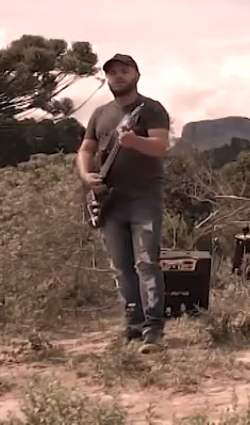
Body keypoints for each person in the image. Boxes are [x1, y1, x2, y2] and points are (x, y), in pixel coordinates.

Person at [76, 53, 173, 353]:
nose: (118, 76)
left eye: (124, 70)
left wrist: (135, 142)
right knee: (121, 267)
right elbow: (85, 150)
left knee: (146, 261)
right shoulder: (99, 114)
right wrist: (86, 176)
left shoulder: (151, 109)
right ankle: (133, 325)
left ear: (136, 75)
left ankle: (153, 328)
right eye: (112, 72)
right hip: (109, 199)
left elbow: (161, 145)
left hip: (144, 196)